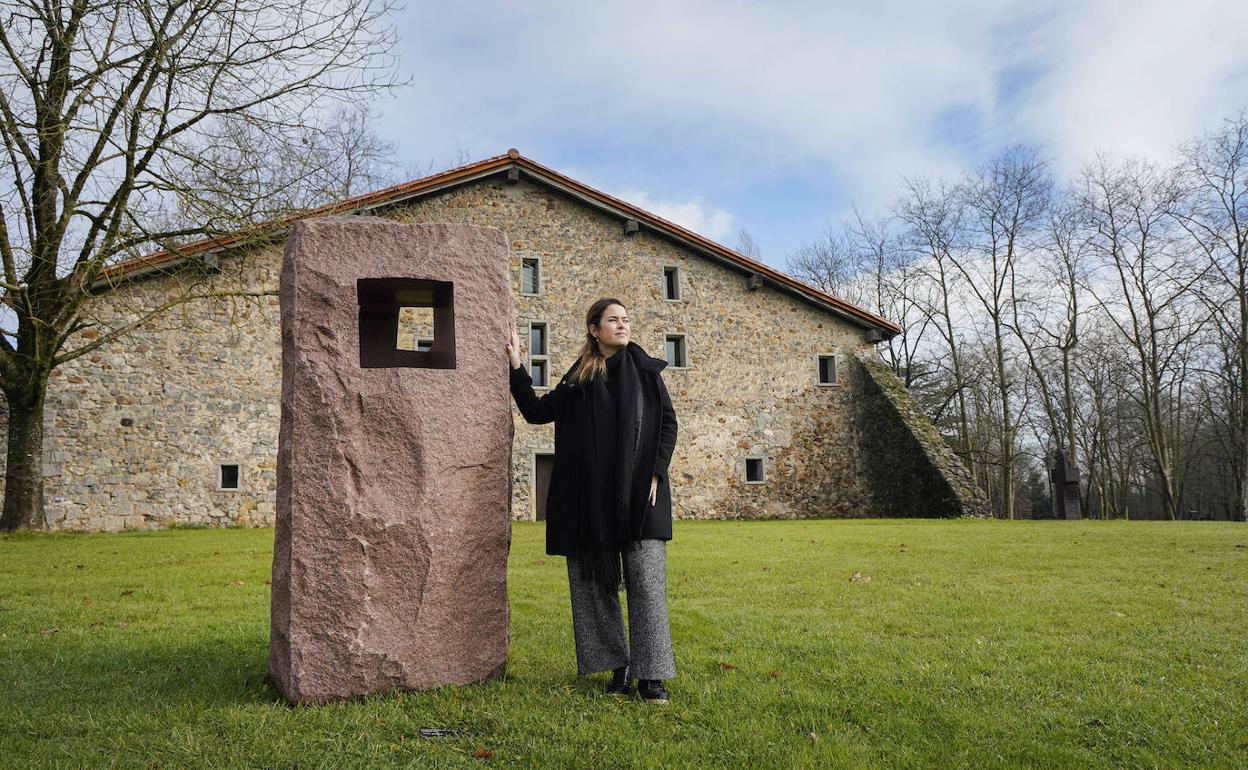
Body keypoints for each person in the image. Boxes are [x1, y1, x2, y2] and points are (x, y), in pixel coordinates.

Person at [506, 297, 679, 704]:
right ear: (594, 329)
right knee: (596, 584)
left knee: (646, 586)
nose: (623, 325)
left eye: (626, 319)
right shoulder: (579, 376)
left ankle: (650, 677)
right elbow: (536, 411)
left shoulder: (646, 370)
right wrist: (516, 365)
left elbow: (668, 423)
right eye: (613, 320)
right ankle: (619, 667)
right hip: (591, 501)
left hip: (642, 496)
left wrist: (656, 470)